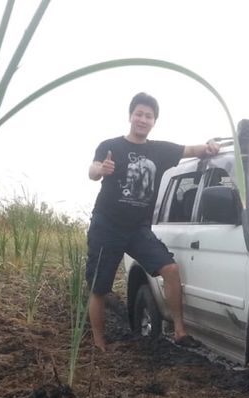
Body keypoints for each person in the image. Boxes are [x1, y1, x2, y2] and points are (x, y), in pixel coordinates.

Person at [86, 92, 220, 351]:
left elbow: (193, 149)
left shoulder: (160, 150)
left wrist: (210, 145)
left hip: (138, 229)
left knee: (170, 269)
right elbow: (92, 171)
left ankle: (180, 331)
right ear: (130, 116)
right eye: (139, 114)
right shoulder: (110, 146)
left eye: (148, 116)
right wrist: (100, 170)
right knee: (99, 287)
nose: (142, 119)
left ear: (154, 121)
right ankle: (99, 342)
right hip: (107, 225)